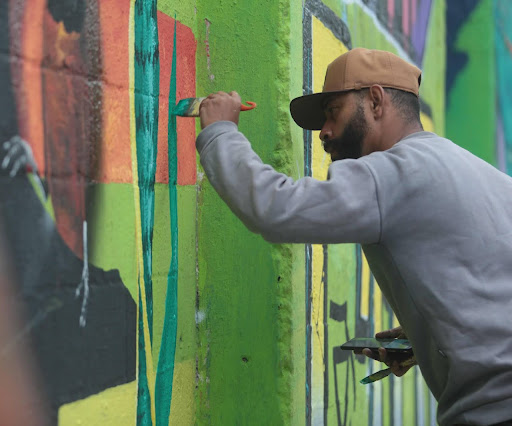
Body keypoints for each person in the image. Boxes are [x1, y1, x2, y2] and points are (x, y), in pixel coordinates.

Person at [195, 48, 512, 426]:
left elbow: (275, 209)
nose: (324, 132)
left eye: (333, 112)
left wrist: (219, 132)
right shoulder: (479, 174)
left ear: (376, 101)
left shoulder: (396, 173)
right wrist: (430, 337)